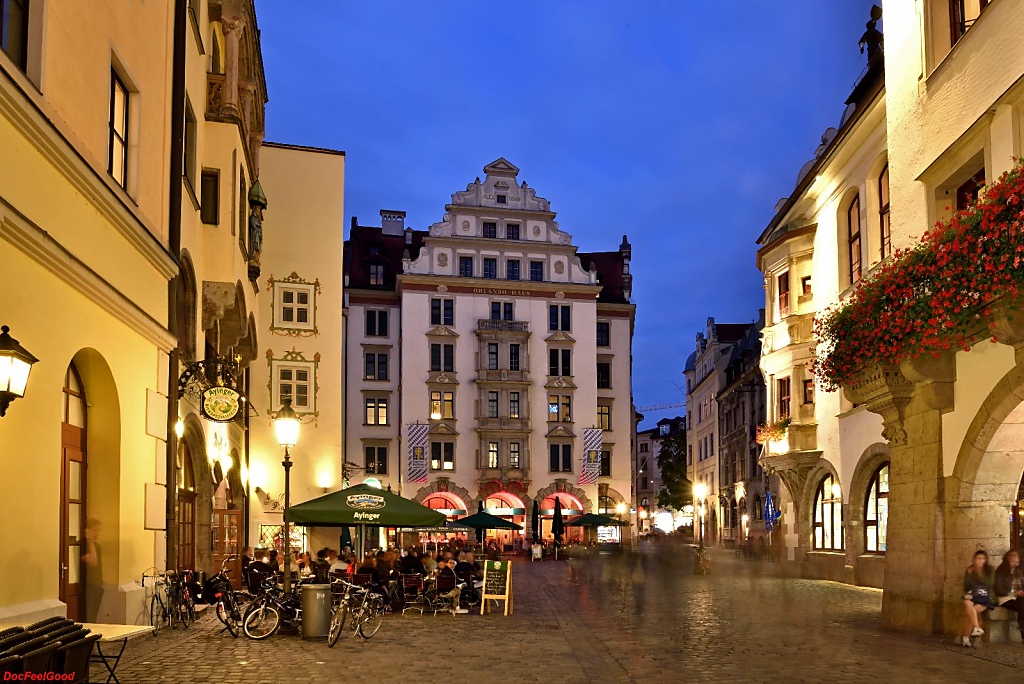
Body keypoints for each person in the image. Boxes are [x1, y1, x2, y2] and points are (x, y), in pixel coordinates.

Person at [961, 549, 997, 646]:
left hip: (986, 596)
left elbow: (990, 584)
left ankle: (966, 638)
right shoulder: (970, 569)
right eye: (978, 558)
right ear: (974, 559)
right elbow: (966, 586)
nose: (981, 561)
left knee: (971, 612)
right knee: (967, 603)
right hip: (974, 595)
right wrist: (969, 574)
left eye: (983, 559)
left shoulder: (990, 569)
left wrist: (980, 572)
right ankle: (977, 627)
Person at [995, 549, 1024, 640]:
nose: (1015, 561)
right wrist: (1014, 593)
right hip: (1005, 597)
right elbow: (998, 590)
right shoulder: (1001, 571)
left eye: (1017, 560)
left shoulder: (1019, 571)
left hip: (1017, 596)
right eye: (1012, 559)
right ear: (1007, 559)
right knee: (1022, 606)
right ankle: (1023, 631)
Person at [82, 518, 103, 622]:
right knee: (89, 616)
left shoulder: (97, 546)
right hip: (88, 585)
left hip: (98, 585)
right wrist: (90, 542)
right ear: (87, 530)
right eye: (95, 530)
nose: (97, 533)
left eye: (99, 530)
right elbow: (92, 562)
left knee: (94, 615)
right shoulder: (83, 545)